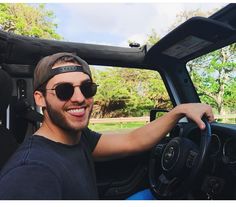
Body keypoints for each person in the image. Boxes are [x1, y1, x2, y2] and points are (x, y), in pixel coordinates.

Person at [0, 52, 214, 199]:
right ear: (39, 98)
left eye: (87, 88)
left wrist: (178, 111)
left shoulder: (79, 138)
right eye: (64, 90)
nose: (78, 98)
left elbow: (133, 140)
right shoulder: (32, 172)